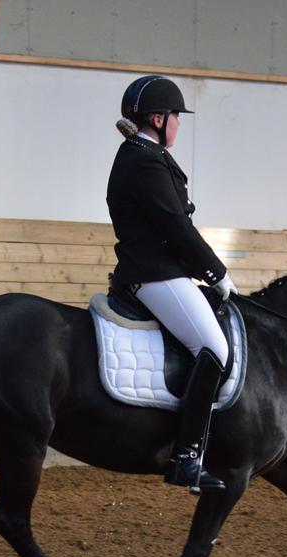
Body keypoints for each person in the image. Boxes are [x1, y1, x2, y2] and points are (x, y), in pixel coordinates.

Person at [106, 75, 238, 493]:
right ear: (159, 118)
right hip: (153, 275)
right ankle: (187, 457)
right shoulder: (144, 159)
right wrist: (217, 273)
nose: (179, 124)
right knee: (213, 349)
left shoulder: (144, 154)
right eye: (177, 116)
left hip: (159, 270)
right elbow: (176, 228)